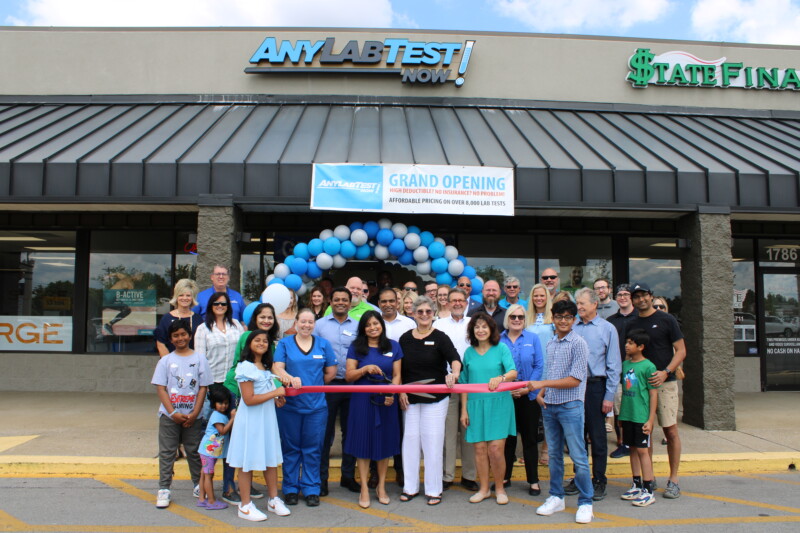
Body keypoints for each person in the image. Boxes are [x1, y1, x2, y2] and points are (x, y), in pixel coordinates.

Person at [527, 299, 594, 524]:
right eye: (559, 317)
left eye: (567, 317)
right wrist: (541, 392)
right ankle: (556, 496)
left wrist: (542, 383)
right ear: (553, 319)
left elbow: (574, 380)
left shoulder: (579, 343)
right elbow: (551, 371)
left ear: (574, 320)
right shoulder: (552, 343)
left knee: (578, 456)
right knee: (554, 455)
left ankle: (586, 502)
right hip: (550, 406)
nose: (563, 321)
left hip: (571, 405)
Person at [398, 296, 461, 505]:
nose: (424, 315)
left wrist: (454, 373)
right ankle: (410, 487)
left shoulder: (441, 337)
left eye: (428, 311)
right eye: (420, 311)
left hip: (436, 398)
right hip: (410, 398)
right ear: (414, 314)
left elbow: (455, 359)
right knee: (410, 441)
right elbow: (399, 368)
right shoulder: (405, 338)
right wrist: (401, 391)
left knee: (432, 441)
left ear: (433, 314)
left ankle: (434, 490)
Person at [274, 309, 338, 507]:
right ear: (296, 322)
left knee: (313, 448)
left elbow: (331, 372)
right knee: (291, 447)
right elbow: (277, 367)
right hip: (290, 407)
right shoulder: (285, 343)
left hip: (316, 407)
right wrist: (289, 378)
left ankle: (311, 488)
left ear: (314, 324)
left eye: (310, 322)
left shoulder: (323, 344)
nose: (306, 325)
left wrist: (313, 385)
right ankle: (291, 488)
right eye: (303, 321)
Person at [628, 282, 686, 499]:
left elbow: (681, 350)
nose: (641, 299)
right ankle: (648, 479)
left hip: (665, 384)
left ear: (651, 296)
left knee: (670, 431)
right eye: (637, 296)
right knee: (646, 433)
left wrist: (666, 371)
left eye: (644, 295)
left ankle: (674, 479)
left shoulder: (666, 319)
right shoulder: (632, 323)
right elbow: (629, 354)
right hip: (640, 387)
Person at [227, 330, 290, 521]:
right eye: (257, 340)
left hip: (267, 420)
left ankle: (273, 499)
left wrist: (277, 398)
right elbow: (249, 399)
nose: (262, 343)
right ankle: (245, 505)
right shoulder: (245, 367)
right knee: (247, 462)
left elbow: (267, 393)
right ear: (249, 344)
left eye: (265, 340)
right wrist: (275, 392)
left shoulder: (266, 367)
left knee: (270, 459)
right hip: (250, 422)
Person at [219, 302, 278, 504]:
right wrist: (276, 391)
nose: (266, 320)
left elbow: (270, 373)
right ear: (255, 318)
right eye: (262, 317)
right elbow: (244, 377)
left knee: (252, 449)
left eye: (270, 317)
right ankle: (229, 487)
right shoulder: (247, 340)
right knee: (239, 449)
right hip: (238, 394)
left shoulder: (270, 347)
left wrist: (278, 391)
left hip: (260, 403)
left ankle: (251, 489)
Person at [565, 288, 621, 502]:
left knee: (597, 437)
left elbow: (614, 365)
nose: (578, 307)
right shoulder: (572, 328)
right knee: (576, 437)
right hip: (572, 387)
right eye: (577, 303)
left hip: (596, 387)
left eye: (582, 303)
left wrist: (609, 396)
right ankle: (580, 478)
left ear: (594, 304)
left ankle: (599, 480)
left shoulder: (607, 329)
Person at [344, 311, 403, 508]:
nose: (373, 327)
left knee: (384, 443)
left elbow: (396, 375)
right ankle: (363, 489)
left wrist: (391, 394)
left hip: (386, 400)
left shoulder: (393, 346)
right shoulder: (356, 347)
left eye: (376, 323)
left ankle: (382, 486)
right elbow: (349, 376)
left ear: (382, 325)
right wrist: (364, 369)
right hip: (362, 400)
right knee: (363, 443)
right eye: (368, 325)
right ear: (363, 328)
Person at [151, 320, 212, 509]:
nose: (180, 338)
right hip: (169, 416)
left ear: (190, 335)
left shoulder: (200, 359)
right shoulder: (166, 361)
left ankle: (197, 483)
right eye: (176, 335)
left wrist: (195, 413)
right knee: (168, 452)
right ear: (170, 339)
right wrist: (173, 412)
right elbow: (161, 389)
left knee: (194, 451)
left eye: (183, 334)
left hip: (193, 416)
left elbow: (203, 388)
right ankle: (164, 488)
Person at [460, 312, 518, 505]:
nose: (481, 330)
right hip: (475, 405)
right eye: (477, 327)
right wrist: (464, 410)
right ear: (472, 331)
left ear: (491, 329)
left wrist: (500, 378)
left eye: (484, 326)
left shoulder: (501, 348)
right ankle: (484, 489)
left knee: (495, 449)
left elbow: (513, 372)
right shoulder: (468, 352)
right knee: (479, 449)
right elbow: (464, 383)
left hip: (498, 404)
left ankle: (499, 488)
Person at [314, 287, 360, 496]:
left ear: (350, 303)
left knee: (351, 432)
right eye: (337, 299)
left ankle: (347, 476)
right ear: (330, 302)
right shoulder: (319, 326)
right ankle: (321, 479)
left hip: (352, 385)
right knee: (325, 434)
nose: (341, 302)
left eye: (345, 300)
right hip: (328, 385)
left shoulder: (358, 326)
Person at [434, 287, 478, 492]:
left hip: (471, 383)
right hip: (448, 384)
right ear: (447, 302)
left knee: (469, 432)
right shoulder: (438, 324)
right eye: (454, 300)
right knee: (448, 433)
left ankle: (469, 476)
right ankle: (447, 475)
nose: (458, 303)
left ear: (466, 302)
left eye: (461, 300)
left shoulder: (474, 324)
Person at [500, 304, 544, 496]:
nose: (517, 320)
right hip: (506, 396)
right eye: (513, 317)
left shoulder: (533, 338)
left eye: (520, 317)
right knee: (507, 440)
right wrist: (506, 388)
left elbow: (539, 365)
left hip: (528, 396)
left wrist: (528, 389)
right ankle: (505, 476)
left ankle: (533, 480)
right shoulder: (498, 340)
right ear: (507, 319)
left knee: (530, 439)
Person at [619, 329, 659, 507]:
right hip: (627, 414)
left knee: (643, 451)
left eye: (630, 343)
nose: (627, 345)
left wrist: (650, 420)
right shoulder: (625, 364)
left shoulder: (649, 366)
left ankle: (649, 489)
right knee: (632, 449)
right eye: (626, 342)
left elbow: (653, 394)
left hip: (641, 416)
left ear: (641, 347)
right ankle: (636, 483)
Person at [525, 283, 555, 466]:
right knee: (531, 418)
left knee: (548, 414)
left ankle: (546, 450)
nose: (538, 299)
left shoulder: (553, 319)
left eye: (542, 296)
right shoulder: (527, 319)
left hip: (549, 372)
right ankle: (531, 453)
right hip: (531, 374)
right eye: (535, 296)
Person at [607, 284, 638, 459]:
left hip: (635, 371)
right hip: (618, 371)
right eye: (620, 294)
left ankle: (635, 441)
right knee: (619, 408)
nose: (623, 297)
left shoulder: (639, 317)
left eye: (626, 294)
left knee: (634, 406)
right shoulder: (611, 321)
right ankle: (622, 442)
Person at [193, 292, 245, 384]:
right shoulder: (202, 328)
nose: (220, 306)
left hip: (234, 380)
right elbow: (200, 359)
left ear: (228, 306)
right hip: (212, 381)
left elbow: (243, 351)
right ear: (210, 306)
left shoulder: (237, 325)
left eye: (223, 303)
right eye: (216, 303)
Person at [197, 384, 235, 511]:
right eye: (220, 403)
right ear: (213, 403)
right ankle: (211, 501)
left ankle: (202, 498)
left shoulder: (219, 414)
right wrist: (233, 419)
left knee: (205, 474)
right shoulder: (217, 416)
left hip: (209, 450)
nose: (223, 406)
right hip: (209, 451)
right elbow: (222, 431)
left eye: (226, 403)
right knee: (208, 475)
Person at [155, 279, 202, 356]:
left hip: (193, 364)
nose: (184, 298)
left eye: (188, 295)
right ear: (176, 297)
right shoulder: (166, 319)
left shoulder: (198, 319)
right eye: (181, 295)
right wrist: (169, 363)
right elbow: (161, 344)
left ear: (192, 298)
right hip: (171, 365)